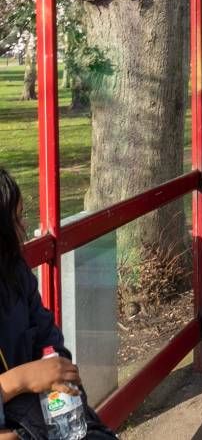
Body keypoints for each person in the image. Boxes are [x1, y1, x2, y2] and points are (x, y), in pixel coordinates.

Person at [0, 169, 116, 439]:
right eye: (15, 220)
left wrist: (56, 381)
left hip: (45, 419)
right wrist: (20, 380)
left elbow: (51, 344)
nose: (24, 228)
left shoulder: (15, 274)